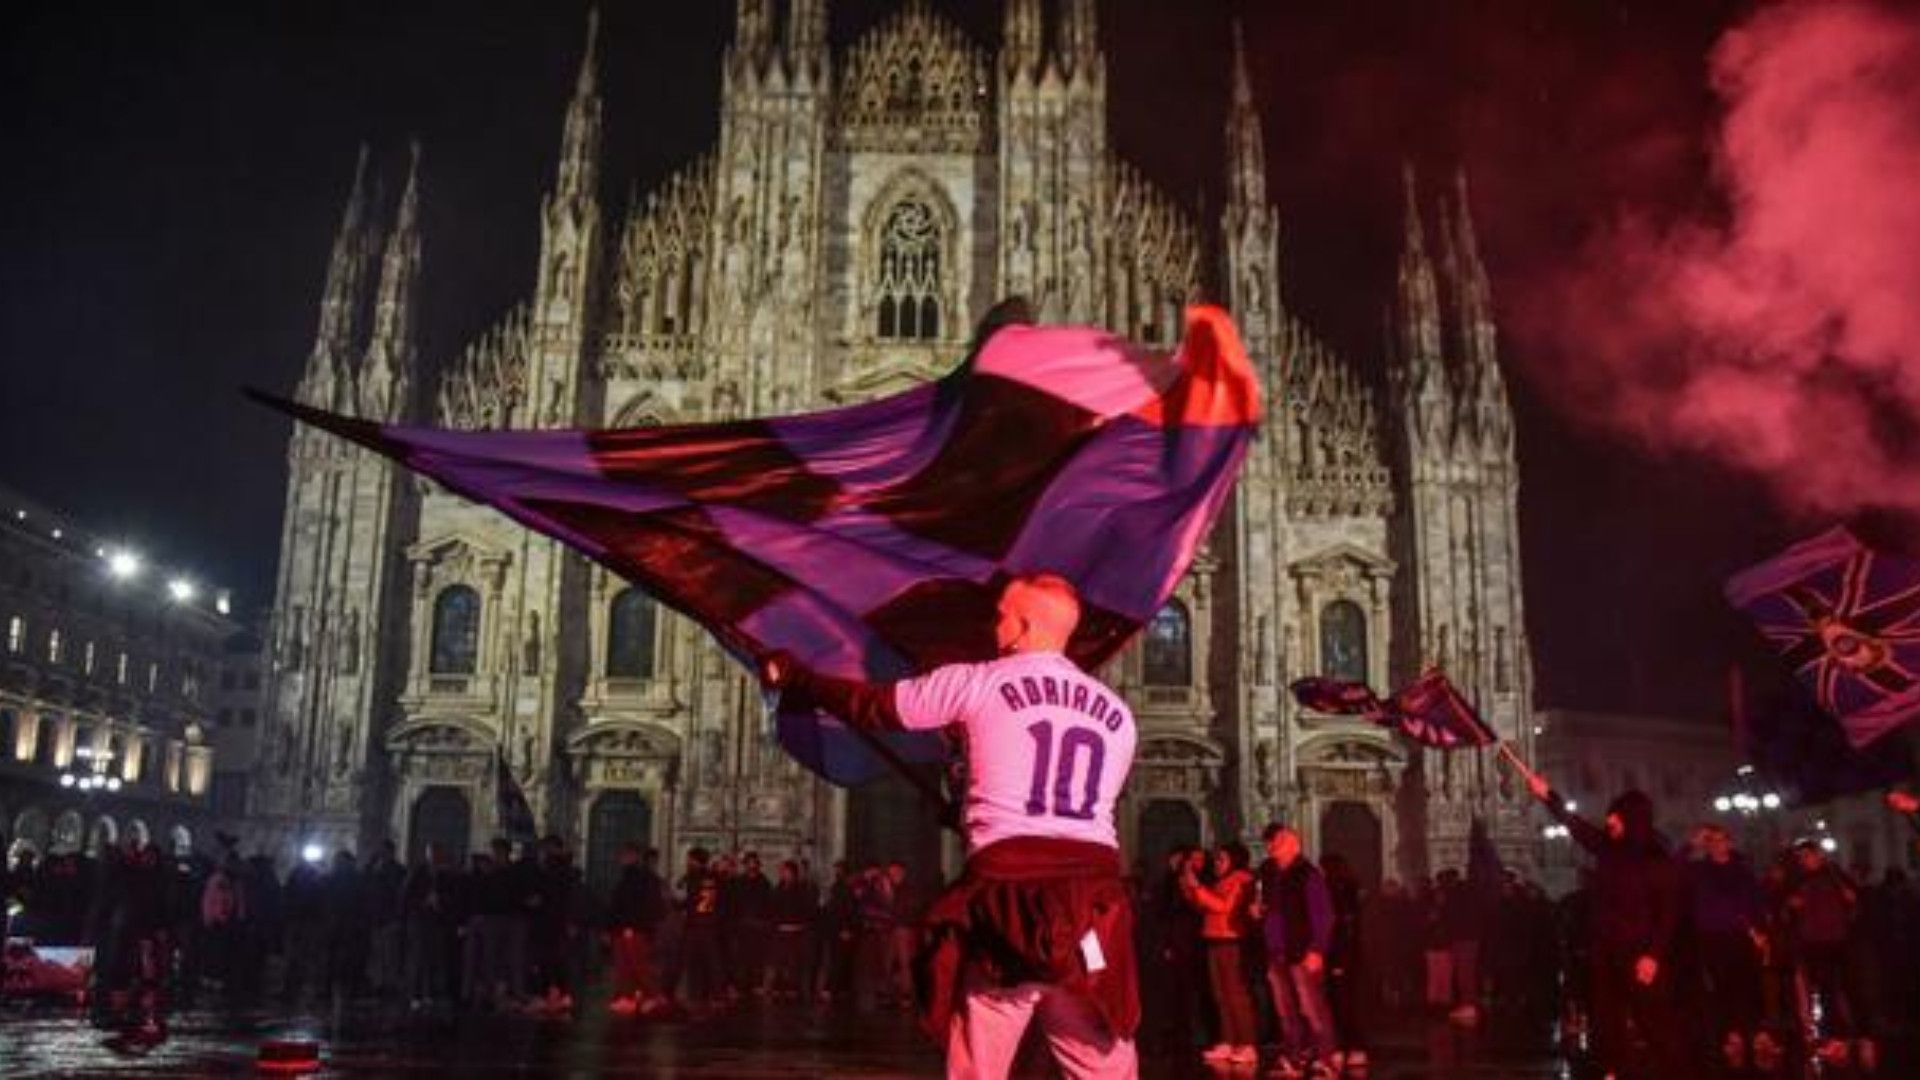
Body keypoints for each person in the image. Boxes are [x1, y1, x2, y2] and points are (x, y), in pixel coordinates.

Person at [764, 572, 1139, 1079]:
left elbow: (871, 706)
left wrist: (801, 678)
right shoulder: (1118, 715)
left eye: (1002, 613)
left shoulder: (977, 681)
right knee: (1101, 1054)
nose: (995, 624)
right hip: (1093, 904)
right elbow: (1060, 808)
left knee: (981, 1057)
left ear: (1024, 624)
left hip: (1008, 896)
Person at [1517, 759, 1685, 1077]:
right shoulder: (1609, 849)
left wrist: (1653, 955)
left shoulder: (1656, 859)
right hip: (1607, 949)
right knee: (1607, 1017)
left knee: (1654, 1021)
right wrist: (1546, 794)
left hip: (1640, 951)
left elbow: (1668, 913)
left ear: (1630, 818)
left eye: (1615, 815)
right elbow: (1576, 826)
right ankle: (1616, 1069)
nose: (1609, 820)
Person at [1254, 824, 1337, 1077]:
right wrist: (1259, 912)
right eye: (1270, 843)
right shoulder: (1270, 874)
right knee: (1285, 1010)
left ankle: (1326, 1058)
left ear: (1293, 844)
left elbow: (1324, 915)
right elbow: (1270, 908)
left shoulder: (1307, 874)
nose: (1272, 847)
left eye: (1278, 842)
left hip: (1302, 951)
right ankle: (1295, 1055)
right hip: (1277, 951)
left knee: (1311, 1008)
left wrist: (1317, 949)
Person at [1183, 842, 1259, 1069]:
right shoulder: (1221, 881)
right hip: (1214, 938)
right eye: (1216, 859)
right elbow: (1205, 906)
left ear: (1234, 860)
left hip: (1231, 940)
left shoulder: (1241, 880)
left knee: (1236, 994)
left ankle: (1247, 1042)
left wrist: (1199, 889)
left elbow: (1223, 906)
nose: (1216, 864)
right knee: (1220, 994)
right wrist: (1191, 890)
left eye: (1221, 859)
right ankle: (1228, 1040)